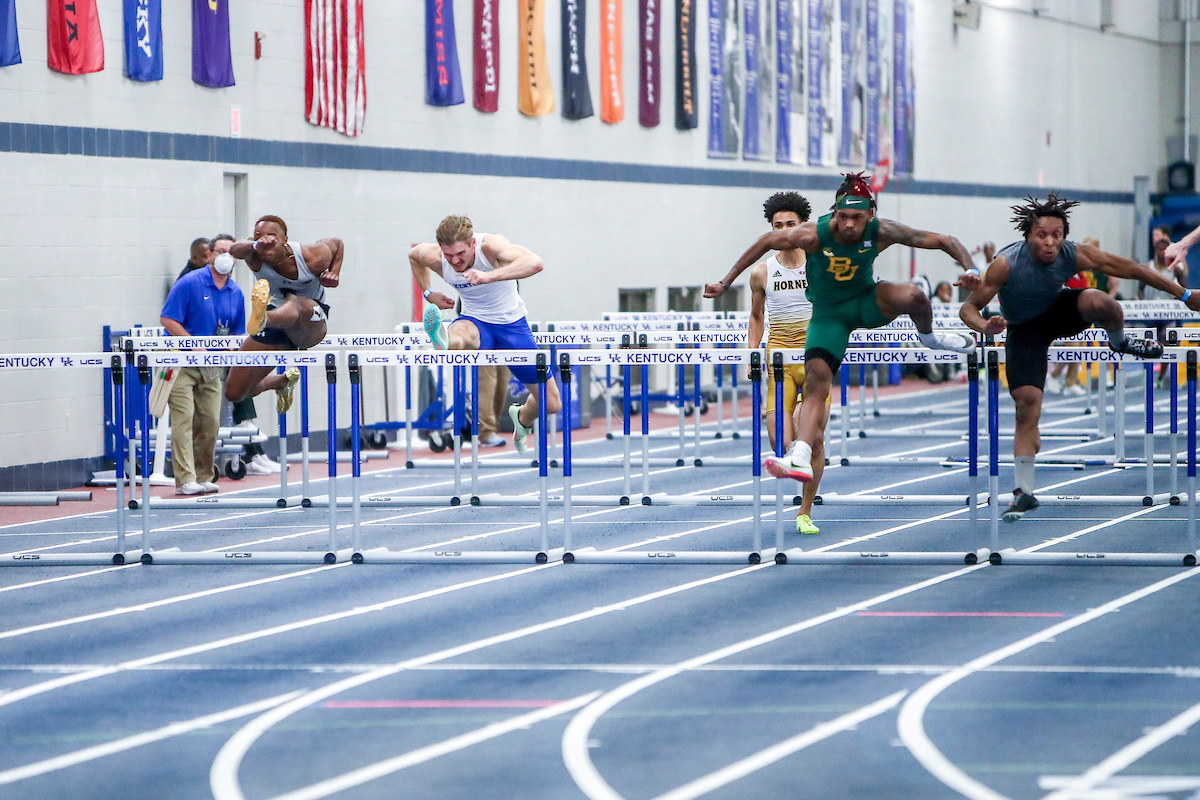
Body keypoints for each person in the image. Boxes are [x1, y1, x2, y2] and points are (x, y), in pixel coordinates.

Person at [705, 172, 982, 487]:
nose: (849, 225)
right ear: (833, 213)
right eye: (843, 217)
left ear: (870, 215)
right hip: (828, 316)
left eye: (857, 218)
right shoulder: (813, 235)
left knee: (914, 296)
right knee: (818, 381)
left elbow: (944, 240)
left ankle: (929, 337)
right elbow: (766, 242)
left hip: (865, 301)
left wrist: (970, 268)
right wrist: (725, 282)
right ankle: (799, 457)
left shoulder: (883, 231)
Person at [959, 194, 1200, 522]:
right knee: (1026, 407)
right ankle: (1024, 493)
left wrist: (1184, 295)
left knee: (1103, 303)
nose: (1049, 243)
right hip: (1023, 329)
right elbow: (967, 308)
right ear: (1027, 236)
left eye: (1056, 236)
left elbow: (1130, 269)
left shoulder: (1074, 254)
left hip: (1059, 311)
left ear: (1065, 237)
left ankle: (1119, 342)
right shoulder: (1006, 264)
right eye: (1042, 235)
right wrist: (986, 326)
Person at [410, 215, 562, 454]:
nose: (455, 261)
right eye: (448, 255)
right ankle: (444, 338)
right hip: (475, 320)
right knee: (460, 335)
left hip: (511, 326)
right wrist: (429, 293)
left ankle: (522, 416)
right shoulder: (435, 256)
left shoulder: (490, 247)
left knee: (552, 403)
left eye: (460, 253)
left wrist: (488, 276)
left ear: (472, 243)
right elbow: (414, 257)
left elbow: (535, 263)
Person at [747, 191, 824, 534]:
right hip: (778, 356)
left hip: (814, 357)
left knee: (815, 438)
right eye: (777, 226)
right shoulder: (762, 272)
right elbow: (755, 316)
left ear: (802, 225)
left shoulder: (820, 263)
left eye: (790, 224)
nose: (784, 231)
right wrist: (752, 351)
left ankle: (804, 511)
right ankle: (794, 456)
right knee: (779, 439)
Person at [224, 216, 344, 416]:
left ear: (285, 240)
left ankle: (264, 319)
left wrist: (334, 272)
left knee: (294, 302)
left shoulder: (311, 256)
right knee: (234, 392)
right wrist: (256, 243)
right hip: (279, 320)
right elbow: (234, 249)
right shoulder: (254, 255)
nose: (266, 242)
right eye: (259, 237)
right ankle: (281, 382)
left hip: (310, 320)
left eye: (272, 237)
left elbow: (337, 244)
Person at [160, 236, 246, 495]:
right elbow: (168, 318)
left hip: (212, 365)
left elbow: (237, 333)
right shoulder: (189, 283)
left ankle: (204, 474)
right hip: (182, 362)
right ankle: (185, 479)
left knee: (210, 421)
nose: (225, 257)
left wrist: (232, 352)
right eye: (220, 251)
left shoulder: (236, 293)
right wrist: (193, 344)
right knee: (183, 419)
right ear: (209, 255)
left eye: (231, 253)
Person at [476, 365, 511, 447]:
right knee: (487, 385)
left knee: (502, 387)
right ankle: (486, 431)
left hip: (505, 352)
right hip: (483, 353)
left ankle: (492, 427)